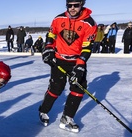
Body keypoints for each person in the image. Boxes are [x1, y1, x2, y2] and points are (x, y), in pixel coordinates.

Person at [38, 0, 97, 133]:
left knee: (79, 89)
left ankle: (67, 117)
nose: (72, 8)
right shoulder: (59, 19)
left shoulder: (90, 23)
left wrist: (80, 65)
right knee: (56, 88)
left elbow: (87, 47)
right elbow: (51, 35)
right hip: (59, 59)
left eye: (76, 5)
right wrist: (48, 48)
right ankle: (43, 110)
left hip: (76, 61)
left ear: (82, 4)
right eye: (69, 5)